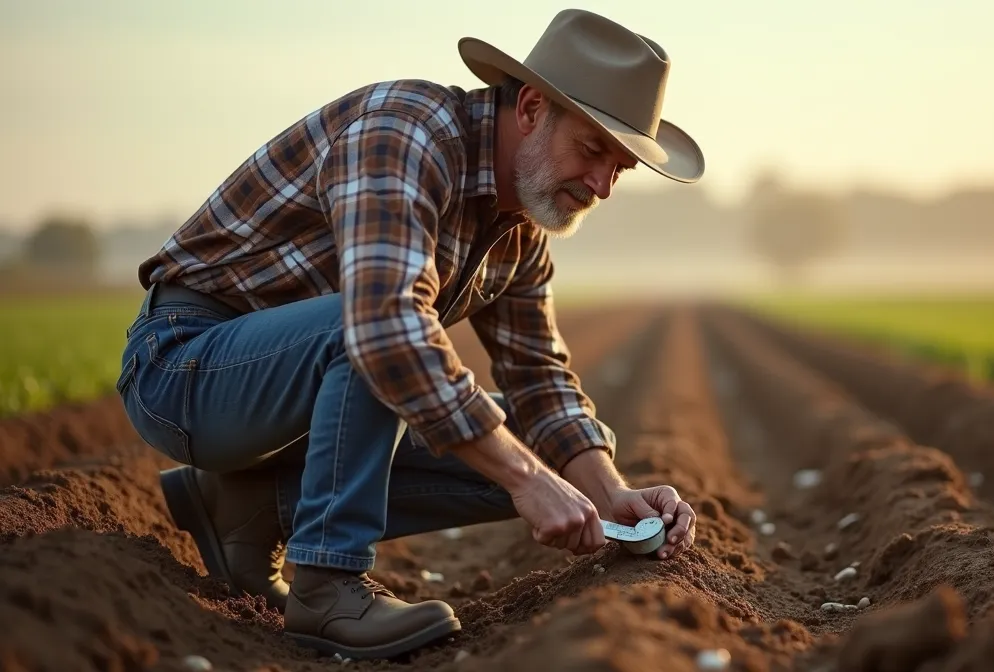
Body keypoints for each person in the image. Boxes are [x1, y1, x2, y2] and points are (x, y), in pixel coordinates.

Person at [115, 9, 703, 661]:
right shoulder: (405, 132)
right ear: (533, 108)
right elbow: (383, 327)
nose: (601, 186)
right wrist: (526, 480)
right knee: (382, 334)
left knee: (540, 449)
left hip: (280, 399)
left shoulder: (520, 234)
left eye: (619, 168)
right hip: (184, 367)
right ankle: (327, 583)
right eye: (593, 151)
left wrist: (611, 494)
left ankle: (247, 511)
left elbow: (540, 381)